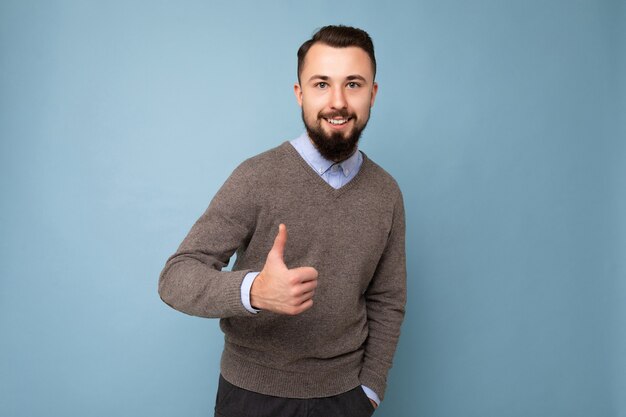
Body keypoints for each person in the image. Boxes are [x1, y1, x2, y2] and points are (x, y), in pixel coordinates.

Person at [159, 25, 406, 417]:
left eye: (353, 84)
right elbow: (175, 277)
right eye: (322, 84)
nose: (338, 101)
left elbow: (387, 299)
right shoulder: (255, 177)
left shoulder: (386, 193)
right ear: (300, 94)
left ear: (372, 94)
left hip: (345, 399)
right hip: (252, 397)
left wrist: (371, 389)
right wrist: (254, 291)